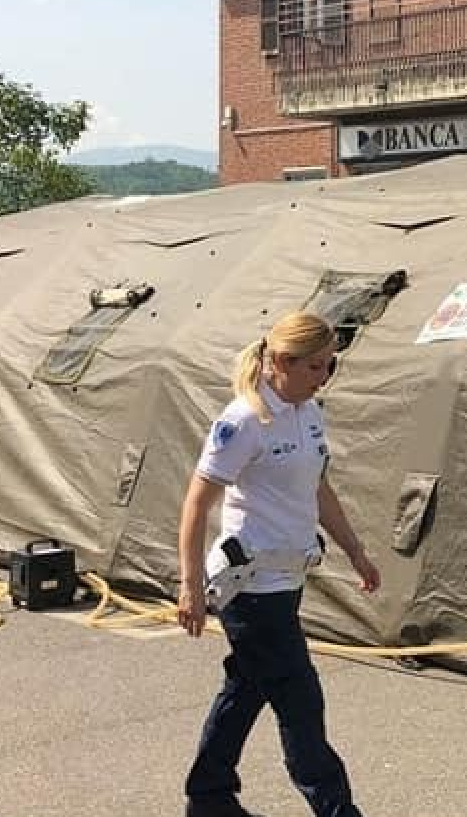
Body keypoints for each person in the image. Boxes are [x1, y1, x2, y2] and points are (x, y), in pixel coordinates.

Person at [177, 312, 382, 817]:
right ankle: (336, 809)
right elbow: (196, 503)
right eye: (315, 367)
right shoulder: (243, 420)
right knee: (301, 702)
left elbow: (318, 487)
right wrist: (189, 587)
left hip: (287, 579)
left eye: (330, 367)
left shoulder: (308, 413)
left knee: (246, 688)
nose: (324, 377)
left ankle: (208, 796)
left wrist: (356, 550)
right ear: (282, 362)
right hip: (250, 589)